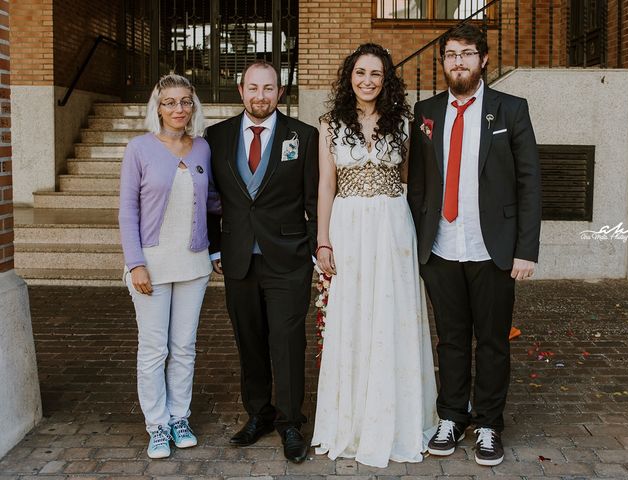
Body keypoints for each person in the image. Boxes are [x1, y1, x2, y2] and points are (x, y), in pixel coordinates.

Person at [407, 23, 542, 466]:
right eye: (450, 54)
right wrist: (416, 244)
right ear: (442, 61)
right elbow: (418, 186)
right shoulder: (425, 112)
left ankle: (488, 424)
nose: (458, 62)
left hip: (494, 248)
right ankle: (451, 416)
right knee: (450, 338)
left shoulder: (510, 110)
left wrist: (526, 249)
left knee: (492, 341)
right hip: (441, 248)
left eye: (467, 53)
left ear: (483, 59)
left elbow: (530, 183)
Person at [311, 43, 438, 468]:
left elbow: (409, 180)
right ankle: (351, 422)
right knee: (353, 316)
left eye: (376, 74)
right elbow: (326, 185)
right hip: (347, 226)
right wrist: (324, 240)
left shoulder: (403, 123)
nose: (367, 81)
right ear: (350, 76)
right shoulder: (329, 125)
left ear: (387, 80)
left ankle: (397, 419)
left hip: (391, 225)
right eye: (361, 72)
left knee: (392, 314)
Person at [205, 60, 319, 464]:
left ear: (280, 92)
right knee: (248, 341)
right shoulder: (215, 137)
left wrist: (314, 247)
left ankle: (290, 422)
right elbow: (210, 201)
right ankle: (260, 414)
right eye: (253, 88)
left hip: (288, 259)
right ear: (240, 90)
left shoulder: (304, 137)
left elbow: (313, 200)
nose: (260, 96)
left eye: (268, 88)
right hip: (237, 259)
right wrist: (215, 247)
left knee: (287, 341)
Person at [119, 74, 221, 459]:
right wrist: (135, 264)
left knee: (184, 347)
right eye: (169, 102)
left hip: (193, 264)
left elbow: (212, 201)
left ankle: (180, 416)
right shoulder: (139, 149)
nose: (178, 109)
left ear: (193, 107)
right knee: (153, 349)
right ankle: (157, 425)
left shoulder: (202, 150)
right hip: (152, 266)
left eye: (184, 101)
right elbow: (127, 210)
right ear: (157, 108)